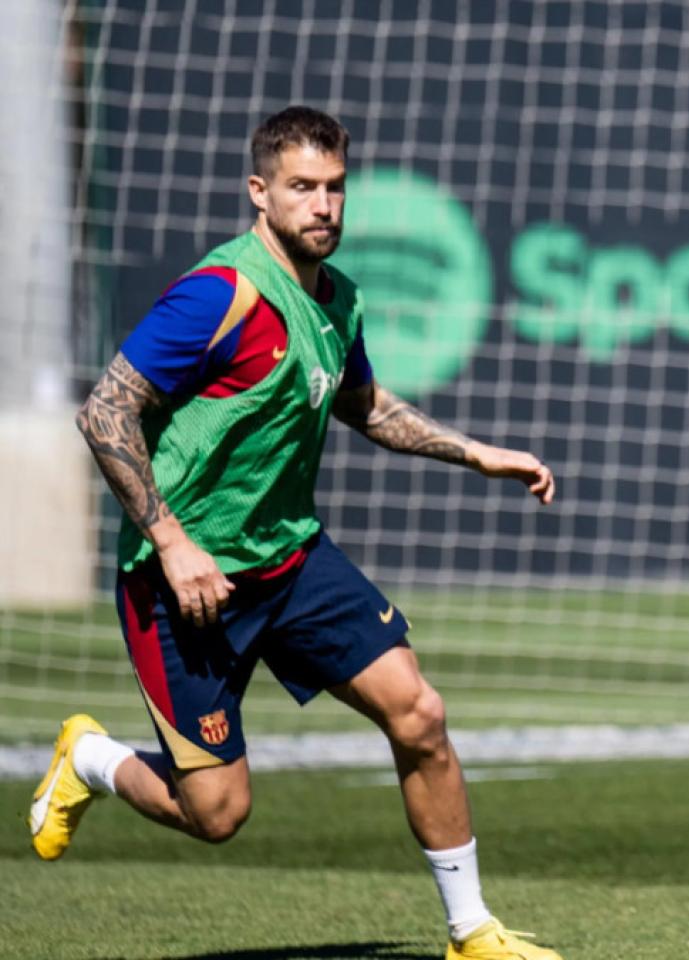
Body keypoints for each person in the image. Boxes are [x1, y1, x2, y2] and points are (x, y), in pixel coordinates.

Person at [31, 106, 563, 960]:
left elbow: (365, 407)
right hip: (184, 583)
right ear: (260, 193)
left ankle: (473, 934)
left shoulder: (337, 298)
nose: (325, 206)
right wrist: (172, 540)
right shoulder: (220, 295)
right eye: (303, 188)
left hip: (290, 558)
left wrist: (477, 454)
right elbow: (105, 411)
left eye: (336, 188)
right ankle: (90, 757)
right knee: (218, 814)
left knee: (419, 715)